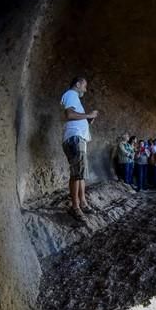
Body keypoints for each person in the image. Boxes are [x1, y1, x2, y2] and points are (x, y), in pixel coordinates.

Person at [60, 76, 99, 221]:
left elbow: (76, 116)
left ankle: (83, 202)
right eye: (84, 85)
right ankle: (75, 207)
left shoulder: (76, 99)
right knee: (77, 173)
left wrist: (88, 119)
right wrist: (88, 115)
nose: (86, 89)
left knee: (80, 173)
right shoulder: (71, 94)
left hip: (79, 138)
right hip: (74, 138)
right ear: (77, 84)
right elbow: (69, 115)